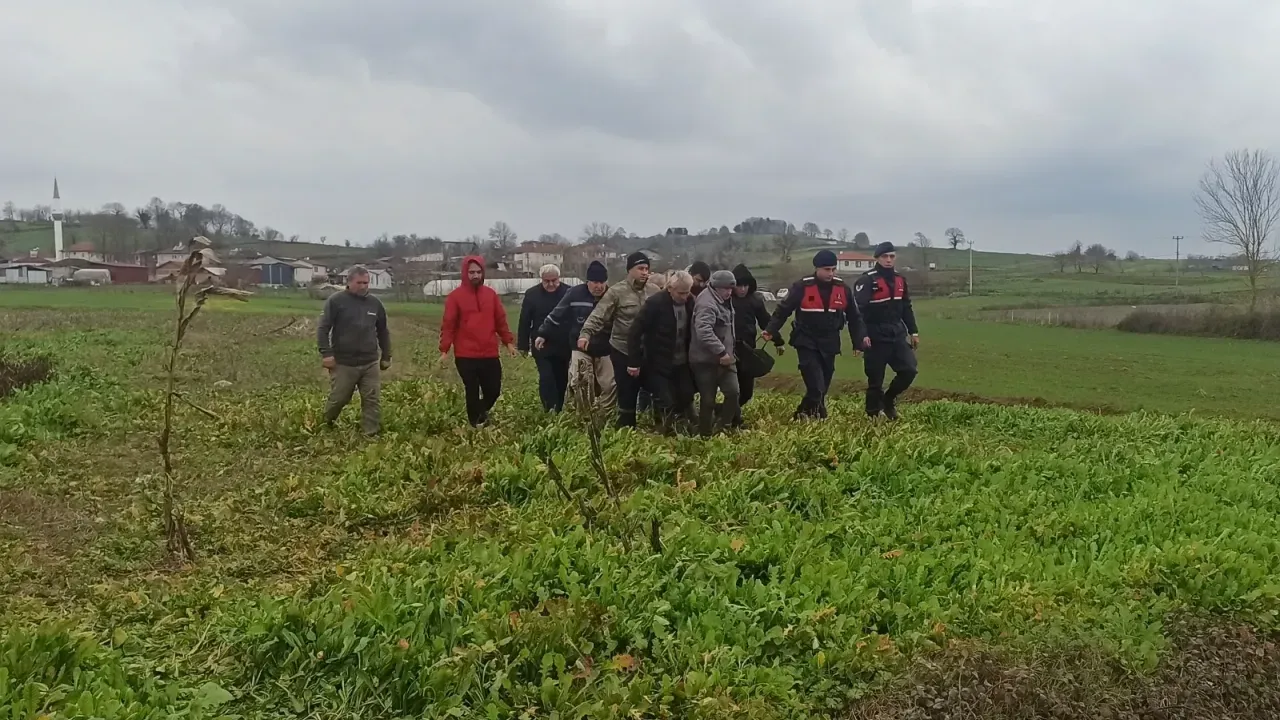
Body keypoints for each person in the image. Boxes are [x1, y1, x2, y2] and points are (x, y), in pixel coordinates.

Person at [763, 249, 869, 420]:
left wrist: (858, 342)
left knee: (823, 385)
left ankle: (807, 413)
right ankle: (810, 414)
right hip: (806, 340)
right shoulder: (802, 287)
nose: (831, 273)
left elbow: (854, 317)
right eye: (827, 269)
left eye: (833, 269)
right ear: (817, 268)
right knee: (816, 386)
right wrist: (770, 330)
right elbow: (783, 310)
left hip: (830, 342)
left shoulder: (843, 288)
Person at [579, 252, 656, 427]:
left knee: (656, 388)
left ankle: (660, 425)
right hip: (622, 349)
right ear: (630, 270)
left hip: (648, 349)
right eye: (640, 268)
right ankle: (626, 429)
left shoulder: (654, 291)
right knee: (626, 392)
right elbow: (599, 315)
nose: (645, 272)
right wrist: (585, 334)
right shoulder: (616, 292)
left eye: (647, 269)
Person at [439, 255, 517, 427]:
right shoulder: (455, 297)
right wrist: (445, 349)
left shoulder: (491, 295)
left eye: (478, 272)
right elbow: (449, 324)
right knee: (472, 389)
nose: (475, 275)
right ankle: (474, 424)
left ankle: (480, 412)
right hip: (465, 354)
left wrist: (509, 342)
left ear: (483, 273)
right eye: (471, 272)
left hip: (489, 352)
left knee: (493, 390)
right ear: (465, 273)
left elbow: (500, 321)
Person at [317, 266, 391, 436]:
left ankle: (370, 433)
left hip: (369, 361)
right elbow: (323, 328)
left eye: (366, 283)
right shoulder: (336, 301)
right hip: (344, 362)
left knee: (372, 399)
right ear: (349, 282)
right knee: (339, 398)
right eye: (359, 283)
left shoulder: (375, 303)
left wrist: (386, 355)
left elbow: (383, 331)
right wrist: (326, 354)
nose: (363, 286)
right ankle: (325, 425)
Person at [536, 261, 614, 411]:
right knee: (579, 381)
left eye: (602, 282)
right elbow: (557, 314)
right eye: (595, 282)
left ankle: (604, 413)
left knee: (608, 385)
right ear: (587, 282)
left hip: (605, 347)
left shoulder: (612, 296)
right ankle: (583, 413)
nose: (599, 286)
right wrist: (543, 333)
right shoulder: (575, 293)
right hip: (580, 346)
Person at [854, 242, 920, 420]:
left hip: (896, 334)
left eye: (892, 256)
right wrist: (861, 336)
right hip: (874, 336)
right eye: (885, 257)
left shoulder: (900, 280)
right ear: (877, 258)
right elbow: (858, 313)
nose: (889, 260)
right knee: (875, 380)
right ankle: (873, 415)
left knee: (909, 370)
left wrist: (913, 331)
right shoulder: (866, 280)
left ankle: (888, 400)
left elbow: (906, 307)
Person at [627, 270, 696, 434]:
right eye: (681, 293)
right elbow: (635, 331)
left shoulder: (690, 302)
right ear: (670, 288)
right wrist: (634, 362)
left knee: (686, 395)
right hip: (658, 362)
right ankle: (664, 430)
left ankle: (680, 428)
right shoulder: (655, 303)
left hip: (682, 361)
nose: (684, 297)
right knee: (665, 400)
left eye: (687, 292)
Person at [689, 270, 740, 436]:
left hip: (727, 358)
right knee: (708, 399)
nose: (729, 292)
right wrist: (721, 351)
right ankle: (705, 433)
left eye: (731, 288)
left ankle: (723, 426)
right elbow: (703, 331)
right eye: (726, 288)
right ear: (716, 287)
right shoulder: (707, 303)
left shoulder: (725, 300)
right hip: (705, 360)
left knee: (733, 392)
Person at [517, 264, 570, 412]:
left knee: (561, 377)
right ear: (541, 279)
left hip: (563, 344)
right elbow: (525, 320)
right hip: (541, 344)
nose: (551, 284)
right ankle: (549, 407)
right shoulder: (532, 294)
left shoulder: (568, 292)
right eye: (547, 281)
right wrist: (523, 345)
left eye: (554, 280)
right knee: (546, 377)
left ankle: (559, 407)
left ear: (559, 278)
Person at [730, 263, 774, 426]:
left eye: (745, 286)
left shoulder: (755, 300)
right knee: (733, 390)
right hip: (727, 350)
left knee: (746, 392)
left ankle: (724, 412)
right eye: (739, 286)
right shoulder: (725, 300)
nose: (742, 289)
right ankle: (734, 420)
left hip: (748, 350)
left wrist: (778, 341)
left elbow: (765, 321)